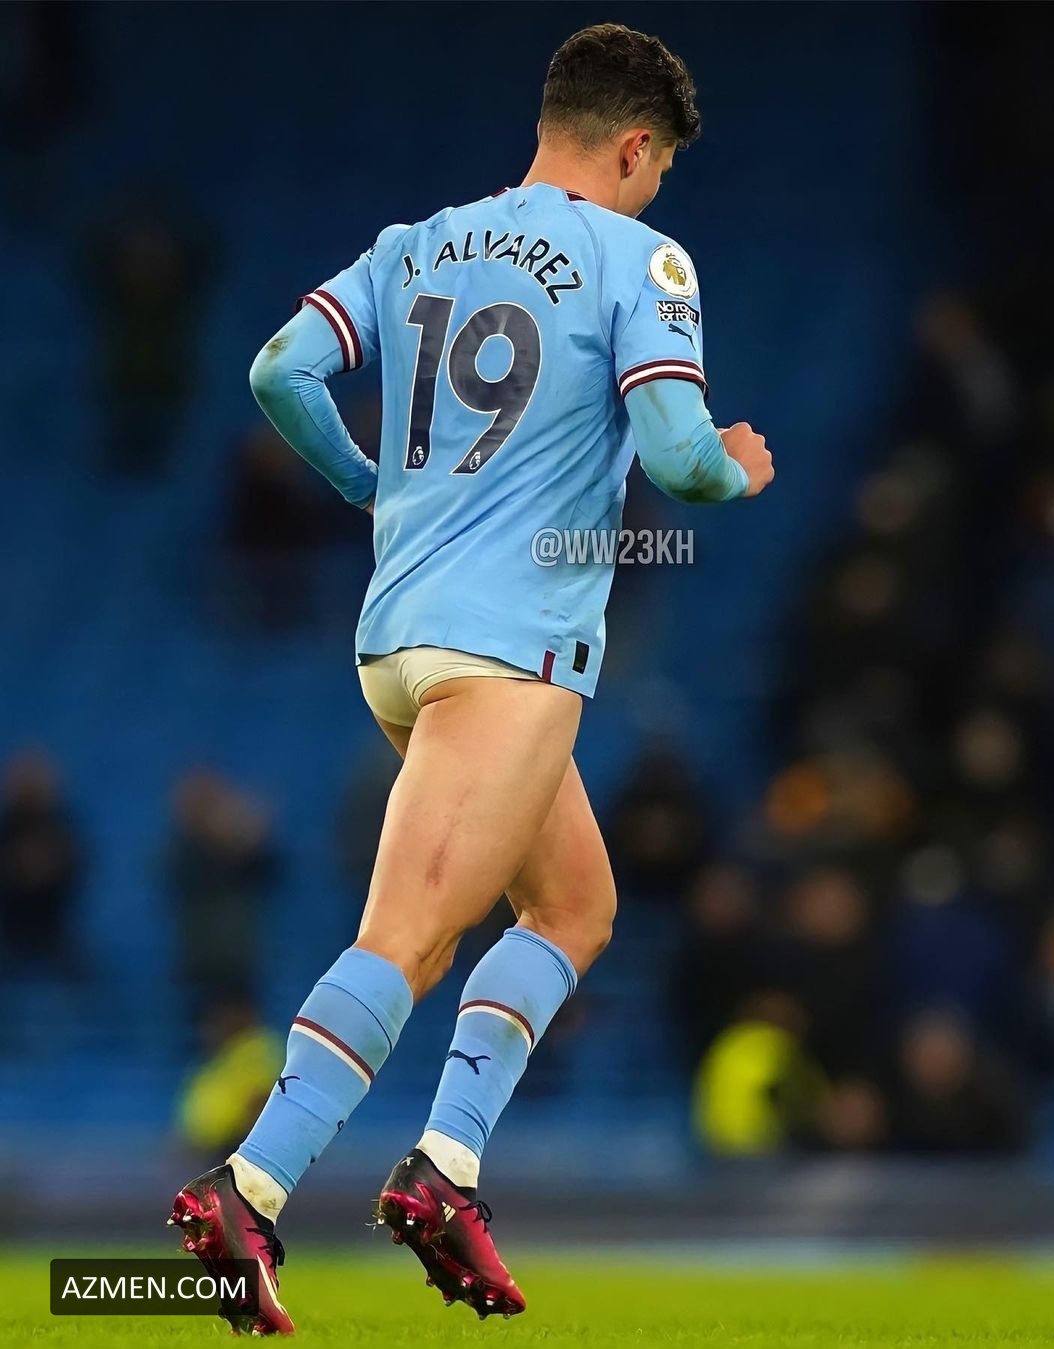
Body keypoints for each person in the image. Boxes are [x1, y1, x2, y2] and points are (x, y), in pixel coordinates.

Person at [168, 22, 774, 1335]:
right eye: (659, 168)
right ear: (634, 147)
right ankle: (248, 1187)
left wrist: (365, 483)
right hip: (509, 653)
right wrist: (734, 466)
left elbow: (280, 370)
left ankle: (443, 1168)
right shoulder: (640, 260)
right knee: (406, 939)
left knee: (574, 907)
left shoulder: (418, 245)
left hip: (403, 640)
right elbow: (678, 456)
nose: (655, 191)